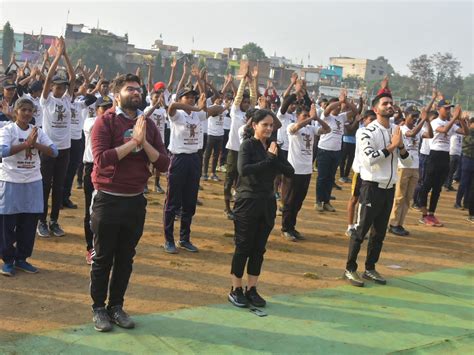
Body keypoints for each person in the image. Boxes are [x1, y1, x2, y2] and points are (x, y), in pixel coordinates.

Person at [89, 73, 169, 332]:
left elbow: (164, 163)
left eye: (138, 89)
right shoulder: (105, 122)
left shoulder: (148, 125)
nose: (136, 92)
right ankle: (99, 308)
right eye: (130, 89)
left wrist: (143, 141)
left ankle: (116, 306)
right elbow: (102, 159)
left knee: (126, 257)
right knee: (103, 258)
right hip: (108, 199)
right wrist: (133, 142)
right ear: (116, 95)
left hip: (135, 201)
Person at [228, 109, 294, 308]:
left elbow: (290, 171)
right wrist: (270, 160)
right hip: (247, 202)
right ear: (254, 126)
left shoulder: (274, 147)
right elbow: (244, 170)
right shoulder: (248, 145)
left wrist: (275, 157)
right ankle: (236, 289)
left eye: (271, 125)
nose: (268, 128)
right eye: (264, 124)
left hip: (267, 203)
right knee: (243, 246)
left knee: (258, 249)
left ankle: (252, 289)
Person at [344, 92, 411, 287]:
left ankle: (370, 268)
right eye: (385, 103)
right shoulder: (366, 131)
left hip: (389, 188)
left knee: (379, 232)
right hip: (371, 187)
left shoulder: (395, 131)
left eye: (391, 103)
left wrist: (401, 148)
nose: (390, 106)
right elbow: (370, 158)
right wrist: (392, 146)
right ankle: (350, 268)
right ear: (376, 109)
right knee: (360, 230)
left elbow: (408, 161)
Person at [163, 82, 225, 254]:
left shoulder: (197, 115)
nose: (190, 99)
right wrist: (197, 108)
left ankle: (184, 238)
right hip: (178, 159)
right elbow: (172, 106)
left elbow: (219, 108)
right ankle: (168, 239)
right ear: (181, 98)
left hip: (194, 158)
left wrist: (205, 105)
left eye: (193, 97)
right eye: (187, 96)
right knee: (172, 201)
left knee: (189, 202)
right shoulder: (177, 114)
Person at [0, 98, 57, 276]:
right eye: (23, 110)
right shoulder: (8, 130)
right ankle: (8, 261)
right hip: (10, 181)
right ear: (16, 111)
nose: (26, 113)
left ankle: (22, 259)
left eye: (29, 110)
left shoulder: (37, 131)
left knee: (29, 223)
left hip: (32, 182)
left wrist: (35, 144)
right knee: (7, 224)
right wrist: (26, 145)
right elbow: (2, 151)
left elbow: (54, 151)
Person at [37, 37, 76, 238]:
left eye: (63, 87)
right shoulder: (47, 100)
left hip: (65, 149)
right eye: (57, 87)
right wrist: (57, 57)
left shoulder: (68, 99)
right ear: (52, 87)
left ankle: (54, 221)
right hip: (48, 148)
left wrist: (66, 55)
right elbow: (49, 76)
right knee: (45, 185)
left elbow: (72, 75)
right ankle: (41, 221)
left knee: (59, 186)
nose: (60, 89)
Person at [281, 104, 330, 241]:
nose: (308, 118)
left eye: (308, 116)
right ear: (297, 116)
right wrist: (311, 118)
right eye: (304, 116)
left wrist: (317, 119)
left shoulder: (311, 129)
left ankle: (292, 227)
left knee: (298, 201)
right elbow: (296, 128)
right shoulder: (291, 127)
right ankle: (285, 228)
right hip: (294, 170)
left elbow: (328, 129)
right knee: (289, 201)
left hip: (306, 170)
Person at [418, 101, 468, 227]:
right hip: (434, 155)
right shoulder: (435, 122)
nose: (448, 111)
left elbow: (465, 132)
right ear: (439, 109)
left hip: (445, 156)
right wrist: (454, 119)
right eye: (445, 108)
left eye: (449, 108)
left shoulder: (449, 123)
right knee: (427, 185)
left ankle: (431, 213)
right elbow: (444, 130)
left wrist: (461, 120)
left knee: (437, 188)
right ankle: (424, 214)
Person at [389, 107, 433, 236]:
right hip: (403, 166)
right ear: (405, 115)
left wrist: (428, 122)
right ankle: (393, 223)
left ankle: (400, 224)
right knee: (399, 197)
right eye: (412, 116)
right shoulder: (401, 129)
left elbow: (430, 135)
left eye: (416, 116)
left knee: (407, 198)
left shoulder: (418, 129)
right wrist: (423, 120)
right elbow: (411, 134)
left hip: (414, 166)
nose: (414, 119)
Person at [82, 96, 113, 265]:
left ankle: (104, 246)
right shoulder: (90, 121)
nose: (107, 110)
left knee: (107, 210)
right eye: (103, 107)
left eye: (109, 107)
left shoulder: (114, 122)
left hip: (108, 167)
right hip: (91, 167)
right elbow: (97, 127)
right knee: (90, 209)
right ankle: (90, 247)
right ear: (96, 109)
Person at [223, 67, 257, 220]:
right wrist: (243, 80)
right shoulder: (235, 112)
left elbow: (255, 99)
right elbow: (237, 98)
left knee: (241, 181)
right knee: (230, 179)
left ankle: (237, 207)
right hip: (233, 149)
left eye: (247, 102)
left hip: (245, 152)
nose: (246, 103)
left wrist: (253, 82)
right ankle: (226, 208)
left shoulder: (250, 114)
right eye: (244, 101)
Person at [315, 90, 358, 212]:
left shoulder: (342, 117)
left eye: (339, 106)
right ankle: (318, 201)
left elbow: (355, 112)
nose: (338, 107)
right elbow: (328, 109)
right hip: (324, 150)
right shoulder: (326, 116)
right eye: (336, 105)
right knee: (322, 177)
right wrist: (340, 101)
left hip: (336, 151)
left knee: (330, 177)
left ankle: (326, 201)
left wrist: (346, 102)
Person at [345, 110, 376, 237]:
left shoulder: (377, 131)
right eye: (370, 120)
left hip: (370, 172)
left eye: (375, 120)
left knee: (366, 201)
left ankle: (359, 225)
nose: (373, 122)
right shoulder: (361, 131)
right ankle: (350, 226)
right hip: (359, 170)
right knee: (354, 199)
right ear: (364, 120)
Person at [455, 116, 474, 222]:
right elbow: (470, 143)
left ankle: (466, 203)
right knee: (464, 182)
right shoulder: (468, 132)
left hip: (471, 159)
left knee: (471, 185)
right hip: (467, 158)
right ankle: (458, 202)